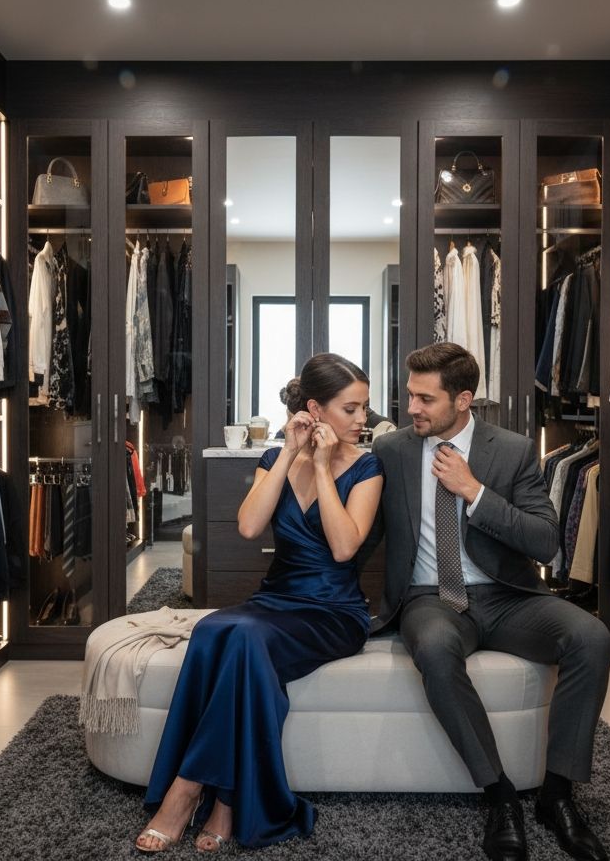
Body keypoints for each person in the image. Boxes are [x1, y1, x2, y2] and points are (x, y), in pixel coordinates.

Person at [369, 342, 610, 861]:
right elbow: (361, 535)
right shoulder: (391, 451)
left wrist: (475, 492)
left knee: (591, 637)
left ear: (463, 400)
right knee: (435, 649)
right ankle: (499, 795)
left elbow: (545, 541)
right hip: (430, 597)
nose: (411, 408)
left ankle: (558, 794)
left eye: (425, 399)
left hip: (506, 596)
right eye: (410, 395)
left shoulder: (513, 450)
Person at [136, 353, 384, 853]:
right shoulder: (274, 460)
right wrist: (290, 453)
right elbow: (249, 527)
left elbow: (343, 548)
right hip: (277, 599)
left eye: (364, 408)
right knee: (212, 631)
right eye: (352, 409)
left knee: (246, 638)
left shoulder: (367, 467)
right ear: (315, 409)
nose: (364, 419)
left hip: (334, 611)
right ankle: (227, 801)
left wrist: (322, 466)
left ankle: (186, 789)